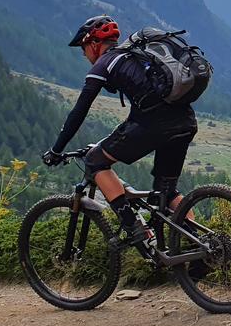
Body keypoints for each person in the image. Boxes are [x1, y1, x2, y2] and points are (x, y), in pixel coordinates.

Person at [41, 15, 198, 246]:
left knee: (95, 161)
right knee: (166, 191)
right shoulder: (134, 57)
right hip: (185, 121)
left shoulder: (104, 63)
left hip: (153, 124)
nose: (85, 55)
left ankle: (136, 229)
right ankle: (200, 246)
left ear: (93, 43)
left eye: (83, 49)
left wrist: (56, 150)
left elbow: (79, 111)